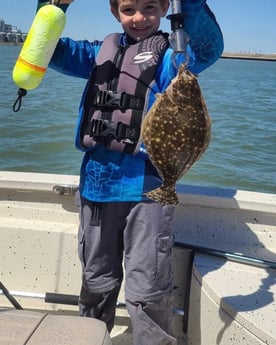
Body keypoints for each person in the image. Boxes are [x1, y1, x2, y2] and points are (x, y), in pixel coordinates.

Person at [37, 0, 223, 344]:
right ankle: (90, 335)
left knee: (148, 287)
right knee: (96, 279)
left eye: (150, 7)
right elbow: (48, 50)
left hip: (149, 189)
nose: (139, 17)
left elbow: (210, 49)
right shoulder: (97, 54)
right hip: (96, 184)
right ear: (114, 12)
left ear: (166, 7)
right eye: (128, 9)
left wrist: (190, 4)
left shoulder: (172, 57)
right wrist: (51, 8)